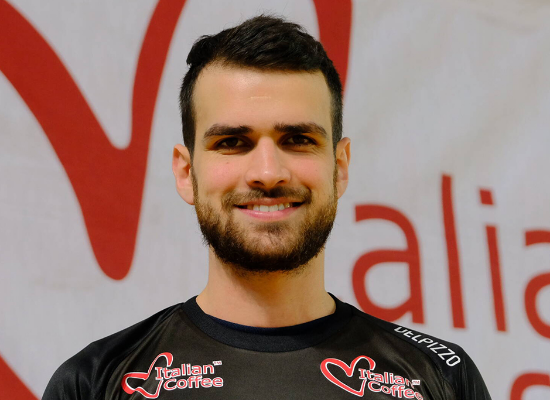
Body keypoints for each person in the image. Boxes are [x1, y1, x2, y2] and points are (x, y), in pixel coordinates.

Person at [44, 15, 492, 399]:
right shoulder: (95, 381)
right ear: (185, 172)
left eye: (297, 139)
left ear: (339, 167)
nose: (268, 172)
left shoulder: (442, 378)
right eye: (232, 142)